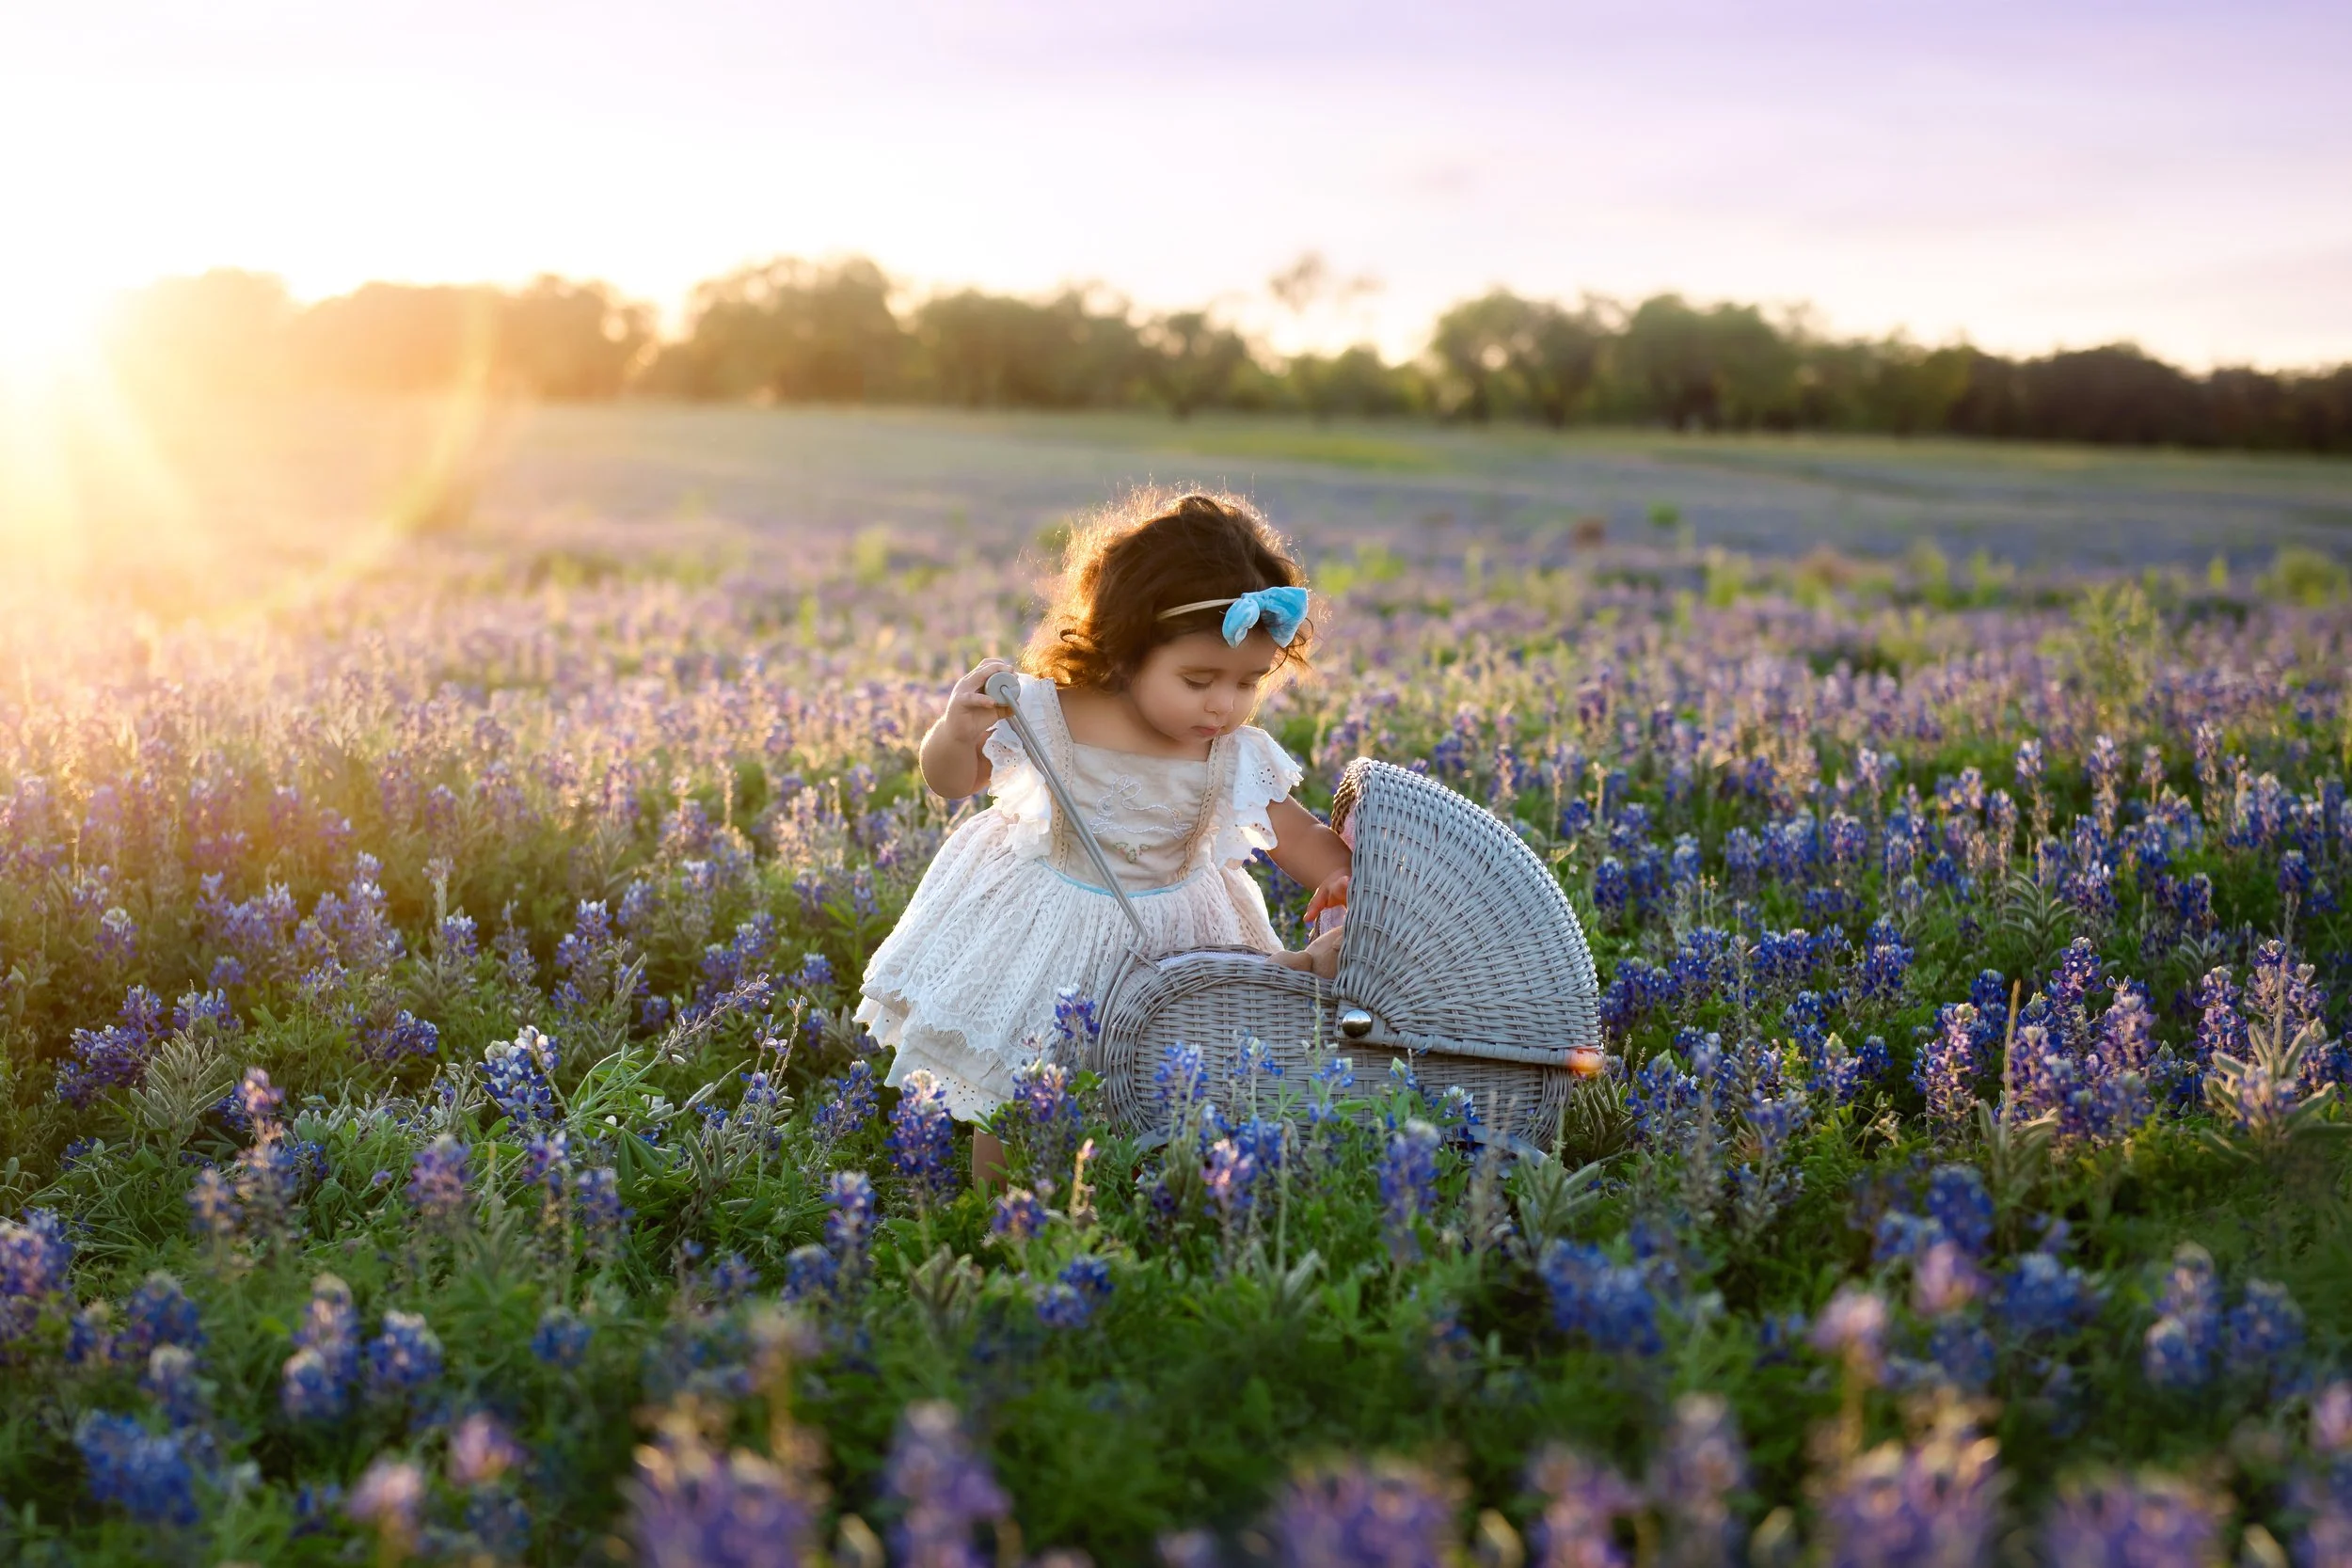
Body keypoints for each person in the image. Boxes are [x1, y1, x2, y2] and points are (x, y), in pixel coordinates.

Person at [853, 490, 1353, 1190]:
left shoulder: (1233, 752)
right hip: (1050, 928)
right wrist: (955, 731)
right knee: (1022, 1084)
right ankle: (1006, 1217)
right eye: (1198, 679)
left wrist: (1339, 872)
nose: (1224, 705)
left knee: (1173, 1079)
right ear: (1124, 651)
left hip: (1180, 928)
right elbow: (952, 781)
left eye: (1249, 682)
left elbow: (1292, 833)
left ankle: (1148, 1193)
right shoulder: (1046, 712)